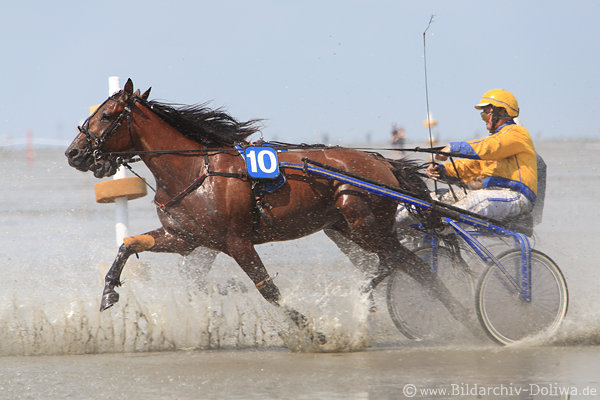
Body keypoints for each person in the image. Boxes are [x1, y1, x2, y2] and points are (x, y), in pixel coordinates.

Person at [424, 89, 537, 221]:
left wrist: (453, 148)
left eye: (485, 114)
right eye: (482, 115)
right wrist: (441, 170)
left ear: (501, 111)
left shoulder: (517, 133)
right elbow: (469, 168)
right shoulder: (492, 144)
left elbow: (490, 146)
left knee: (476, 198)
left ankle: (440, 225)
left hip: (516, 195)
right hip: (491, 195)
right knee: (432, 198)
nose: (484, 119)